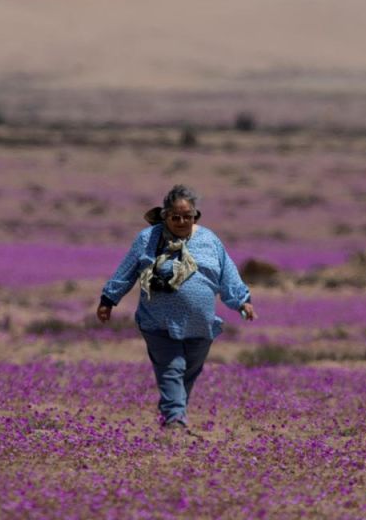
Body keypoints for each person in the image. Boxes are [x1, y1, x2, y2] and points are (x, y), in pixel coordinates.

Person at [97, 184, 257, 433]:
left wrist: (242, 302)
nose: (182, 221)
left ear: (196, 216)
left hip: (199, 324)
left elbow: (228, 274)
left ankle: (173, 412)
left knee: (187, 373)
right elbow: (127, 270)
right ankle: (175, 421)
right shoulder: (148, 239)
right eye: (175, 217)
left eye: (187, 216)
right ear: (164, 216)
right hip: (158, 322)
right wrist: (108, 299)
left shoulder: (209, 240)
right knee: (172, 368)